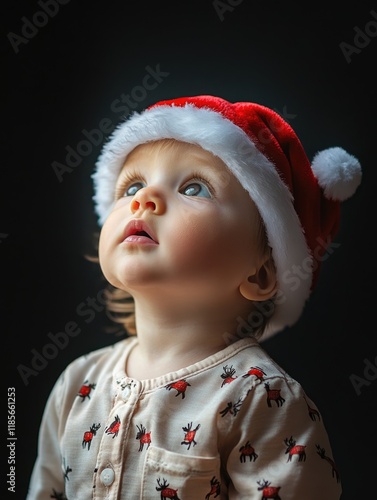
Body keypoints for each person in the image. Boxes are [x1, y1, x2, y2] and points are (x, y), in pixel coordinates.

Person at [27, 95, 362, 499]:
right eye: (132, 184)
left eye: (194, 187)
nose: (144, 198)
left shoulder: (260, 398)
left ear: (260, 272)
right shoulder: (77, 384)